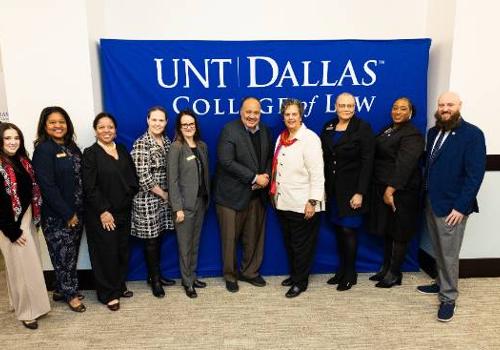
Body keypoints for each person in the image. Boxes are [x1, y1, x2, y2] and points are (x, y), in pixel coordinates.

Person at [417, 92, 486, 322]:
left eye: (450, 104)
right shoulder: (434, 132)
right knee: (439, 248)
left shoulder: (472, 135)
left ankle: (448, 298)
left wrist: (460, 207)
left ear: (459, 106)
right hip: (432, 201)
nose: (445, 108)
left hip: (453, 207)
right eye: (442, 104)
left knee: (448, 253)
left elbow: (474, 176)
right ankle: (440, 283)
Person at [213, 96, 273, 293]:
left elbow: (269, 157)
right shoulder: (229, 130)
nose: (252, 116)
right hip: (230, 196)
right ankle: (230, 276)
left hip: (256, 195)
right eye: (248, 112)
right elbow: (226, 161)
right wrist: (255, 178)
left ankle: (250, 272)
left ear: (260, 114)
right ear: (241, 112)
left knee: (253, 237)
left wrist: (264, 177)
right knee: (229, 240)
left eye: (256, 112)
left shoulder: (265, 130)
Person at [32, 106, 86, 313]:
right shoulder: (44, 150)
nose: (58, 126)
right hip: (58, 216)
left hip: (78, 211)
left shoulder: (72, 147)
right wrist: (67, 214)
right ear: (45, 126)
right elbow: (47, 186)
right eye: (53, 122)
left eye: (61, 122)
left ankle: (62, 289)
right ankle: (71, 294)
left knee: (70, 254)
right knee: (62, 254)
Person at [83, 113, 138, 311]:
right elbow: (89, 187)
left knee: (122, 250)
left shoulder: (122, 149)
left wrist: (128, 198)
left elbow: (132, 178)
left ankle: (118, 285)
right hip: (103, 214)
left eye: (110, 127)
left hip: (123, 211)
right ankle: (108, 294)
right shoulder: (90, 153)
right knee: (105, 253)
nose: (106, 130)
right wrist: (103, 210)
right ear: (95, 130)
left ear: (115, 130)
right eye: (101, 127)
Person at [367, 97, 424, 288]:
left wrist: (390, 190)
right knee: (388, 230)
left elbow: (405, 165)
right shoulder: (389, 129)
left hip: (401, 192)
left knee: (399, 231)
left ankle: (394, 273)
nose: (397, 112)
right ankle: (386, 268)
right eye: (395, 108)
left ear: (410, 113)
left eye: (402, 109)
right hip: (383, 187)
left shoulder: (412, 135)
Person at [320, 92, 374, 291]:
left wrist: (360, 192)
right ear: (336, 106)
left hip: (352, 192)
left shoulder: (363, 128)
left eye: (350, 105)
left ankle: (351, 273)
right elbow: (324, 159)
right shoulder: (328, 126)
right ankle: (341, 270)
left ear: (355, 107)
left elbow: (368, 162)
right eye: (342, 105)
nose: (346, 109)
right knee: (338, 231)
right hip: (333, 190)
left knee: (348, 231)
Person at [271, 98, 324, 298]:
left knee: (302, 246)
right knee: (291, 243)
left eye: (294, 114)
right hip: (284, 202)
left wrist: (312, 202)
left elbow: (317, 174)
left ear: (301, 116)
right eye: (287, 114)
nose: (290, 118)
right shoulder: (281, 138)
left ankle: (300, 282)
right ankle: (295, 275)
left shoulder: (310, 139)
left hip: (303, 204)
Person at [0, 123, 50, 329]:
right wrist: (11, 230)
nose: (13, 142)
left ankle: (18, 303)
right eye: (7, 138)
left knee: (25, 266)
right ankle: (27, 312)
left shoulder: (22, 161)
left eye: (16, 138)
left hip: (26, 217)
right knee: (21, 269)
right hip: (10, 225)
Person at [130, 106, 175, 298]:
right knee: (151, 241)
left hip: (164, 199)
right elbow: (143, 177)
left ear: (166, 122)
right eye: (154, 120)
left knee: (159, 238)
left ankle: (155, 274)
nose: (157, 123)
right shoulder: (142, 143)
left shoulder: (166, 141)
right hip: (148, 199)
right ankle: (155, 280)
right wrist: (164, 194)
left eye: (161, 120)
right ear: (147, 120)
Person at [168, 110, 210, 298]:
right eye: (184, 124)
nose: (188, 127)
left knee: (195, 244)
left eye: (191, 124)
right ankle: (187, 282)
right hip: (184, 206)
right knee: (184, 246)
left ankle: (192, 276)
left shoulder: (202, 146)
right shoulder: (176, 147)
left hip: (201, 202)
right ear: (179, 127)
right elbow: (172, 180)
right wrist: (177, 208)